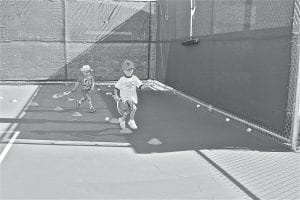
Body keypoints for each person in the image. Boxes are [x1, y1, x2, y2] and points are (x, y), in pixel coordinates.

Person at [114, 59, 149, 129]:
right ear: (124, 71)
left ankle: (122, 119)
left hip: (133, 97)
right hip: (125, 97)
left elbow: (140, 86)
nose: (130, 71)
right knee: (134, 108)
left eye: (131, 69)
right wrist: (116, 95)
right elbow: (116, 88)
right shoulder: (122, 79)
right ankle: (131, 121)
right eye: (128, 70)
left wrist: (145, 86)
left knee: (130, 110)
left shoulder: (135, 78)